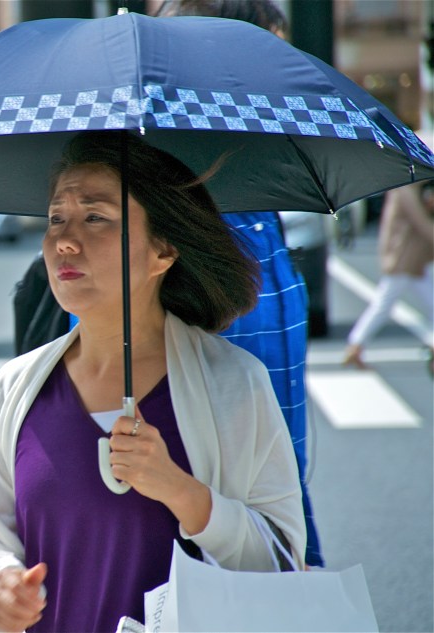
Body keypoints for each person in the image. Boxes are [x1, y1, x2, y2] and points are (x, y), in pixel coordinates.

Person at [0, 131, 305, 632]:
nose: (65, 240)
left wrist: (183, 492)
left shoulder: (233, 382)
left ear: (162, 251)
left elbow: (280, 560)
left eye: (95, 217)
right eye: (56, 218)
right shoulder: (14, 388)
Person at [154, 0, 324, 566]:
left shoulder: (258, 201)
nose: (285, 79)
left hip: (274, 506)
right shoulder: (160, 213)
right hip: (189, 534)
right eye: (271, 56)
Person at [343, 179, 434, 373]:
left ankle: (356, 345)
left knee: (388, 303)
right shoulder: (405, 189)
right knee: (384, 304)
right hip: (403, 258)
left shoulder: (414, 188)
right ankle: (355, 345)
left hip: (414, 258)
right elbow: (420, 221)